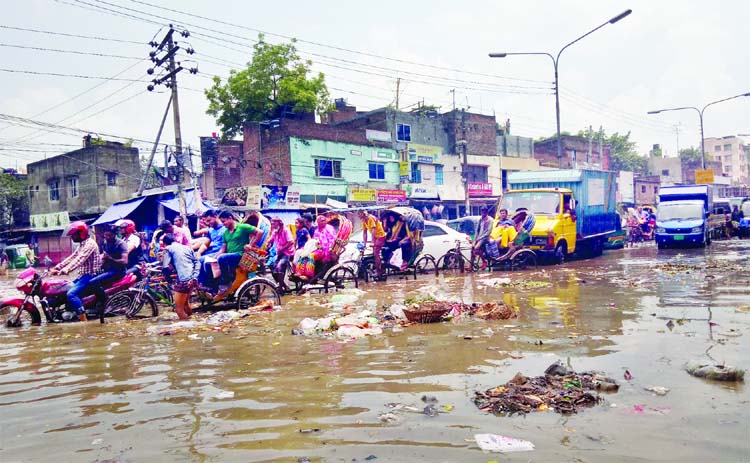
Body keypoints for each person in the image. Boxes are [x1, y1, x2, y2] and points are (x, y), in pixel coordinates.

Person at [50, 221, 102, 322]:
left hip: (90, 276)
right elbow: (72, 257)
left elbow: (80, 259)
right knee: (62, 288)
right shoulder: (82, 244)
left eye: (73, 234)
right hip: (82, 276)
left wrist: (66, 270)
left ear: (81, 234)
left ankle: (83, 319)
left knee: (71, 294)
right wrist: (57, 267)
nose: (72, 237)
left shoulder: (90, 244)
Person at [208, 210, 263, 292]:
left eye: (224, 221)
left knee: (222, 258)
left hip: (241, 255)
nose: (223, 224)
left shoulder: (242, 227)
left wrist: (250, 245)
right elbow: (223, 248)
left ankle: (226, 282)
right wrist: (213, 258)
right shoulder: (225, 233)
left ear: (230, 218)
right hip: (230, 257)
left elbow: (260, 232)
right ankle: (212, 287)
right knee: (207, 262)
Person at [89, 225, 128, 315]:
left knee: (93, 282)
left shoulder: (121, 244)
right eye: (106, 235)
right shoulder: (106, 243)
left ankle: (107, 304)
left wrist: (111, 258)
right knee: (89, 279)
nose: (107, 237)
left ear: (115, 234)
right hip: (108, 269)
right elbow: (104, 258)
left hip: (118, 271)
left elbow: (124, 261)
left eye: (110, 235)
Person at [161, 233, 199, 320]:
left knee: (178, 309)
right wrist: (194, 276)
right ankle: (191, 321)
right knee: (185, 303)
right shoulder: (187, 248)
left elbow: (165, 267)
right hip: (192, 278)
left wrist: (168, 279)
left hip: (183, 279)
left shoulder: (168, 249)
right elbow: (196, 262)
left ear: (165, 243)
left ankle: (186, 327)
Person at [268, 217, 294, 292]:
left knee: (279, 267)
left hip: (287, 253)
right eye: (272, 223)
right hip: (279, 253)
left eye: (274, 223)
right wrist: (267, 244)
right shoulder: (275, 231)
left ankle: (280, 287)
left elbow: (291, 241)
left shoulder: (285, 230)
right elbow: (270, 239)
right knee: (271, 266)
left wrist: (282, 248)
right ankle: (283, 285)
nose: (272, 224)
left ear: (278, 223)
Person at [358, 210, 386, 276]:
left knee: (376, 253)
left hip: (380, 236)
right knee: (374, 254)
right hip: (376, 237)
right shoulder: (364, 221)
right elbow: (365, 233)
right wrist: (364, 244)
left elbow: (374, 230)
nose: (359, 217)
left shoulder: (371, 218)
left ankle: (379, 271)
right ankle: (377, 267)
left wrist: (372, 242)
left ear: (363, 214)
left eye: (360, 215)